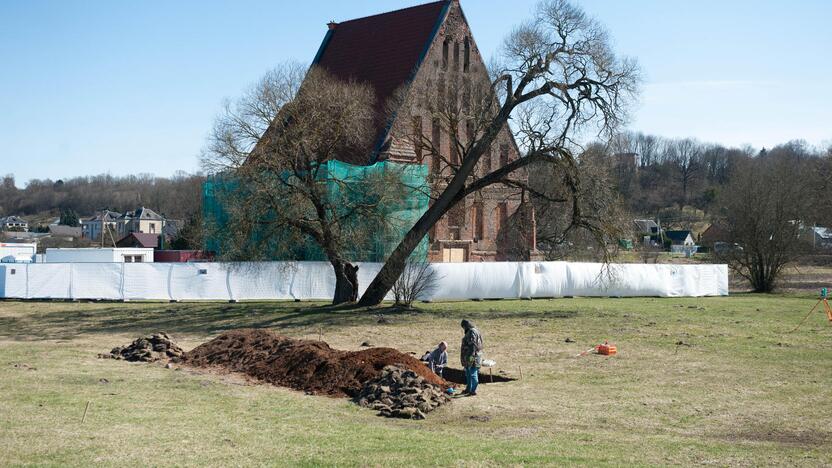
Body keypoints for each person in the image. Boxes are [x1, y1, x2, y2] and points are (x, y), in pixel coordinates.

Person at [460, 319, 483, 396]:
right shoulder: (475, 331)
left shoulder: (472, 332)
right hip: (472, 355)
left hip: (472, 356)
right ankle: (468, 388)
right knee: (468, 372)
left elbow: (472, 346)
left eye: (463, 327)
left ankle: (473, 390)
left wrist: (470, 358)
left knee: (472, 372)